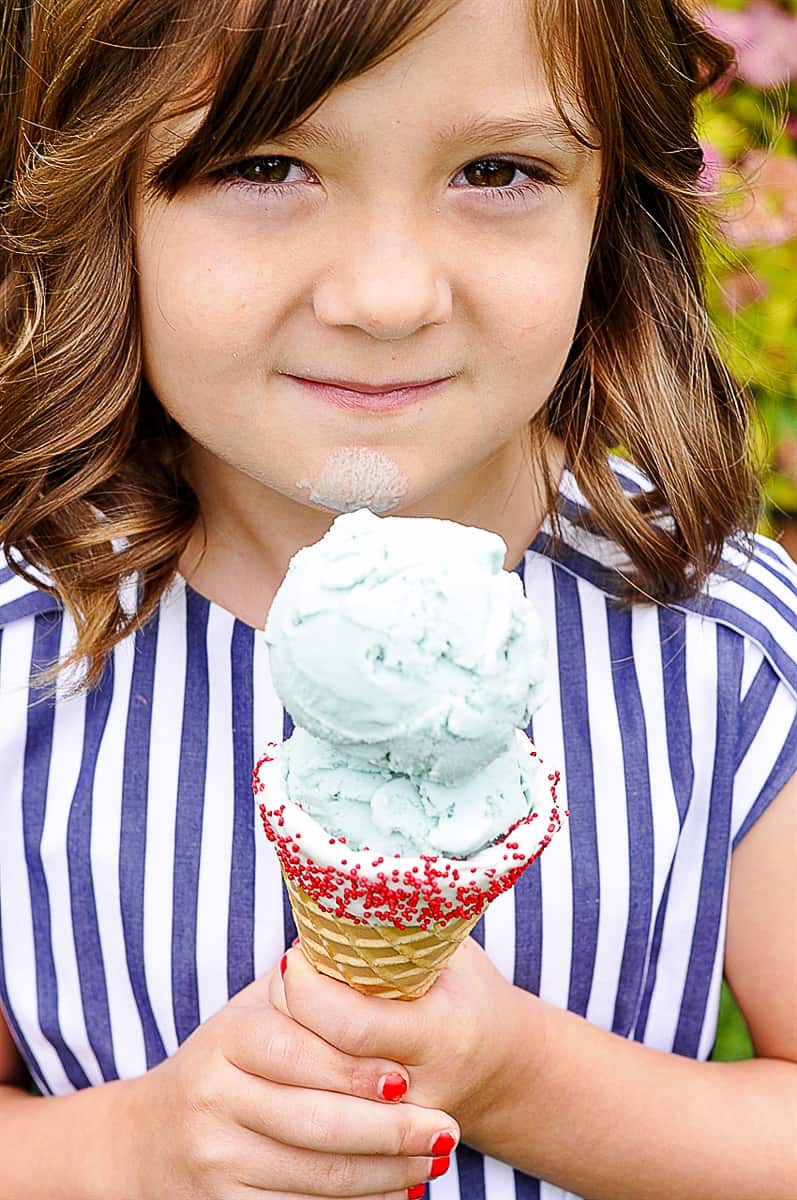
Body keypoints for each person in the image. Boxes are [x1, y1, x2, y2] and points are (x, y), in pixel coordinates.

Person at [0, 0, 795, 1197]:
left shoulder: (718, 642)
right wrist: (136, 1149)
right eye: (265, 164)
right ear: (97, 191)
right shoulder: (25, 653)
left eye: (496, 169)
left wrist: (517, 1078)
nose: (385, 295)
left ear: (610, 201)